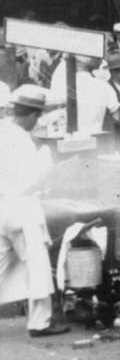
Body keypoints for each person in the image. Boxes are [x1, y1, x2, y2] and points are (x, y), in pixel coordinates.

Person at [0, 84, 66, 337]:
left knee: (2, 263)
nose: (37, 121)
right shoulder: (21, 140)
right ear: (29, 115)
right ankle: (40, 322)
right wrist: (48, 164)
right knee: (37, 265)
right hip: (21, 207)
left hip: (2, 205)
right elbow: (30, 181)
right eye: (36, 117)